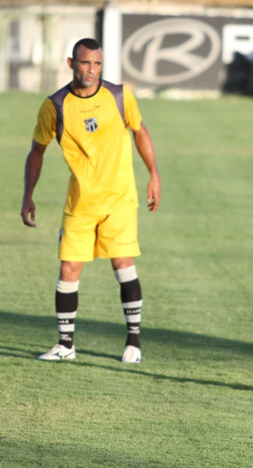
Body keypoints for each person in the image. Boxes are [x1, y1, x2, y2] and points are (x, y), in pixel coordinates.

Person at [21, 38, 161, 363]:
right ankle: (65, 346)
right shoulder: (54, 106)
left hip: (120, 199)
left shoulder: (119, 96)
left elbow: (140, 131)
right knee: (69, 269)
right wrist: (28, 194)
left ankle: (134, 344)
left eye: (97, 64)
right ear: (71, 63)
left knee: (123, 265)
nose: (92, 70)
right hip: (81, 203)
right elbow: (37, 151)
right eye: (85, 63)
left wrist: (153, 174)